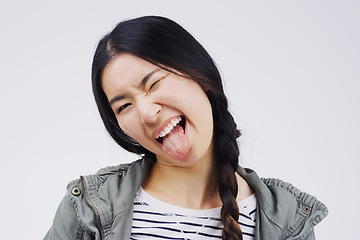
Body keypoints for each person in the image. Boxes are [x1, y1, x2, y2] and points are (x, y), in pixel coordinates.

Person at [44, 16, 328, 240]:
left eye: (153, 83)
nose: (146, 113)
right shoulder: (87, 210)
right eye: (124, 106)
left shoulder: (288, 220)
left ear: (198, 75)